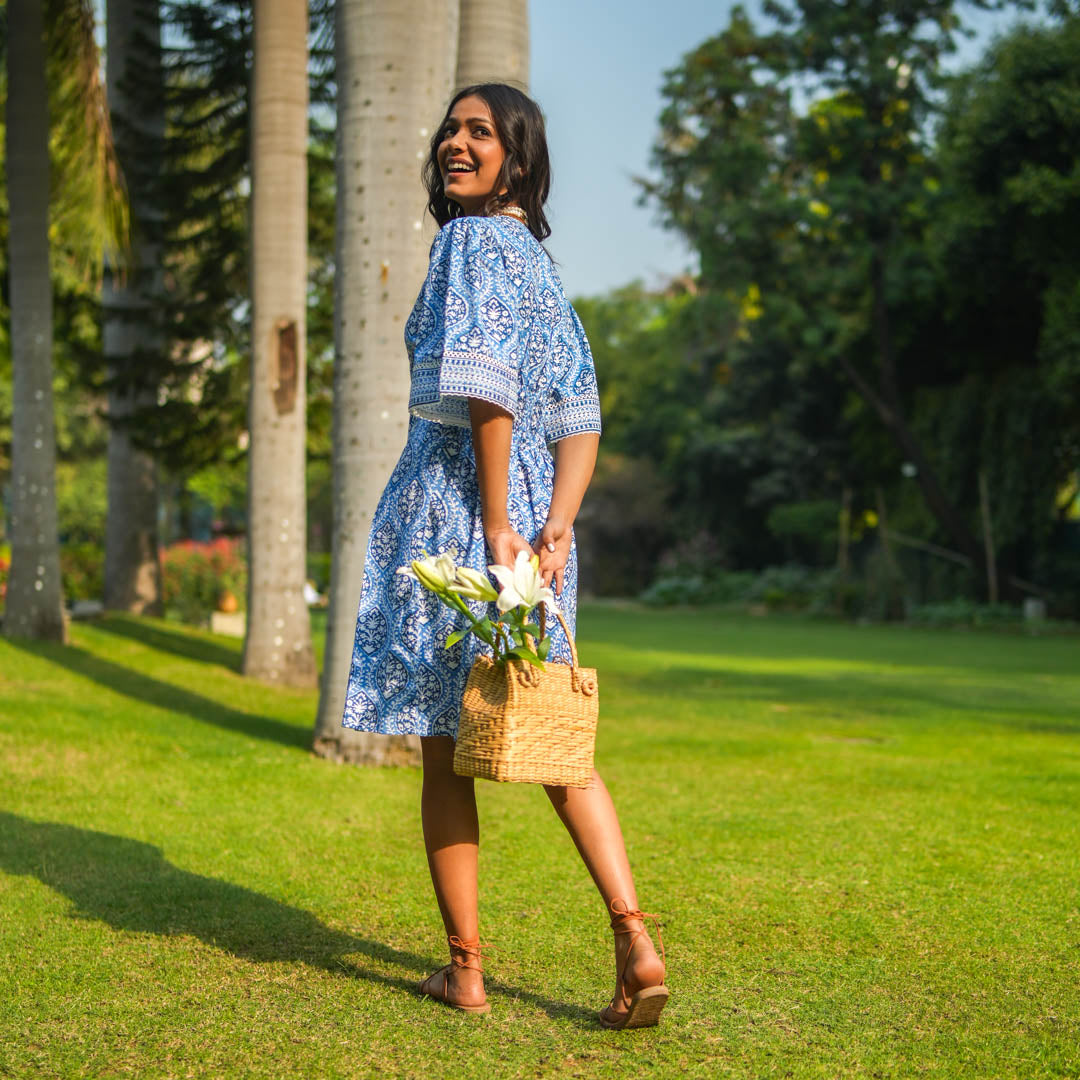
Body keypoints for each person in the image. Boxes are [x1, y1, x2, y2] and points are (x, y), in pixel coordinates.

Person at [341, 83, 667, 1029]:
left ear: (516, 157)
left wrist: (494, 525)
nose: (454, 141)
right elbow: (580, 413)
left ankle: (468, 970)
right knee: (559, 742)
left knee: (446, 752)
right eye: (450, 128)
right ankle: (635, 938)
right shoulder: (539, 263)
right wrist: (557, 522)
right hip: (533, 524)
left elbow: (486, 390)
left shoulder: (472, 242)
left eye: (479, 131)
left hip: (461, 511)